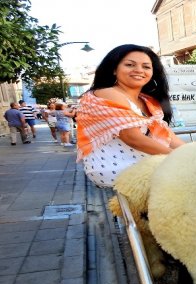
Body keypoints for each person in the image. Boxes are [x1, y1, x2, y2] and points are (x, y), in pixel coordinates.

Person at [75, 44, 185, 188]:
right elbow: (133, 138)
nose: (139, 70)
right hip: (116, 166)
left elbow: (170, 138)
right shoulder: (109, 93)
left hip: (142, 162)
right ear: (114, 69)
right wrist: (182, 158)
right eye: (129, 65)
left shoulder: (147, 101)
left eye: (146, 67)